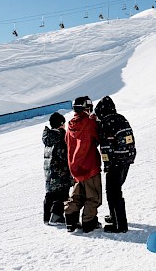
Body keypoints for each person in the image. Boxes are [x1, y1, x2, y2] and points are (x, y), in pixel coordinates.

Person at [94, 96, 137, 233]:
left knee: (113, 192)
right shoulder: (121, 118)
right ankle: (115, 217)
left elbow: (107, 146)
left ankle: (120, 225)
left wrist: (108, 164)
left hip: (116, 161)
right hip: (127, 158)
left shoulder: (107, 123)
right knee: (116, 189)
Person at [64, 96, 102, 233]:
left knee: (76, 195)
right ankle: (89, 222)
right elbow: (98, 137)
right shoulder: (89, 122)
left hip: (75, 166)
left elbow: (68, 142)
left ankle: (70, 221)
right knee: (93, 196)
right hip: (90, 165)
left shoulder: (70, 125)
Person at [42, 112, 72, 225]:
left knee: (50, 193)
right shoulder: (60, 137)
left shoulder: (48, 137)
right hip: (60, 170)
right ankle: (57, 216)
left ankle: (46, 217)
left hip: (49, 170)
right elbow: (63, 155)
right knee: (62, 193)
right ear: (61, 124)